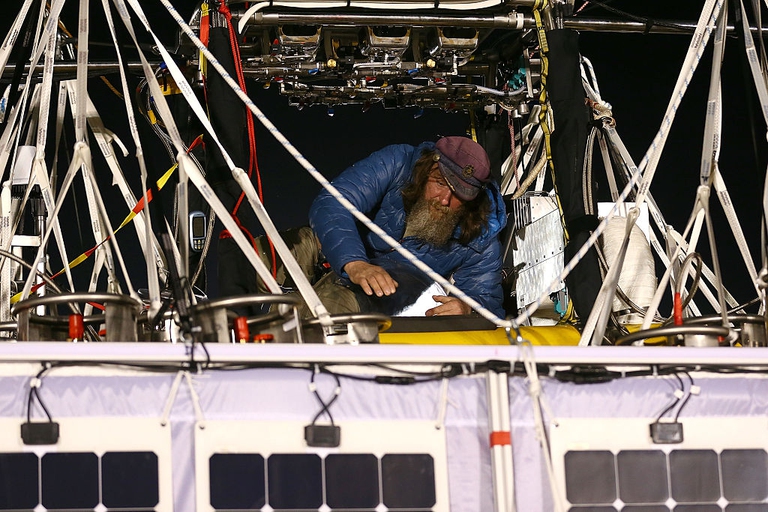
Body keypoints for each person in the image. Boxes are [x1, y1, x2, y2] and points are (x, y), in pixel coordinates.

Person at [305, 135, 507, 318]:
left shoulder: (483, 232)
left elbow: (488, 301)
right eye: (440, 183)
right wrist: (354, 263)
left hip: (394, 290)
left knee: (335, 300)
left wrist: (468, 308)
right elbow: (332, 202)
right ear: (427, 168)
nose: (444, 200)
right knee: (295, 244)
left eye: (459, 195)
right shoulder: (397, 162)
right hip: (343, 252)